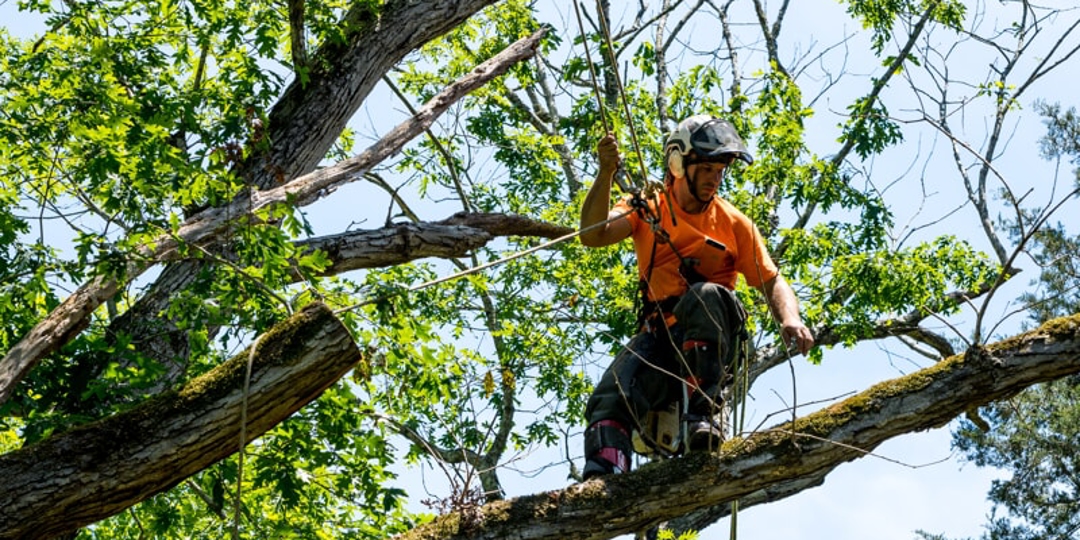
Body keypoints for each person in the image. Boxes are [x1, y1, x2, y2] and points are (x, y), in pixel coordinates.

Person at [578, 115, 814, 479]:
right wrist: (606, 172)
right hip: (662, 339)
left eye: (720, 170)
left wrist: (790, 319)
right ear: (677, 163)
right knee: (611, 395)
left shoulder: (734, 223)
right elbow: (594, 235)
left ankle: (703, 416)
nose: (715, 178)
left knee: (703, 296)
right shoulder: (648, 205)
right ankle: (605, 475)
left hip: (710, 346)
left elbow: (772, 281)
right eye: (706, 168)